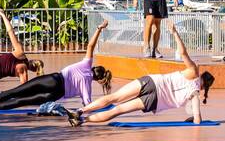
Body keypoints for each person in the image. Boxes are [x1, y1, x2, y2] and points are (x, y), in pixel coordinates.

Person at [69, 26, 213, 126]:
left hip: (152, 82)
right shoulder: (195, 94)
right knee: (118, 110)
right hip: (155, 100)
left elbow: (183, 53)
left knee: (114, 98)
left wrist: (175, 33)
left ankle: (79, 111)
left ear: (202, 76)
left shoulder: (193, 71)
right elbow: (197, 121)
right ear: (204, 87)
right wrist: (192, 118)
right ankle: (83, 120)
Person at [0, 20, 112, 112]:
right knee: (21, 101)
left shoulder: (86, 65)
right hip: (56, 94)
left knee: (16, 91)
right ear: (98, 80)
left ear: (94, 68)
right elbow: (87, 105)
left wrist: (99, 28)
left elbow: (90, 45)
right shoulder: (87, 87)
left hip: (54, 80)